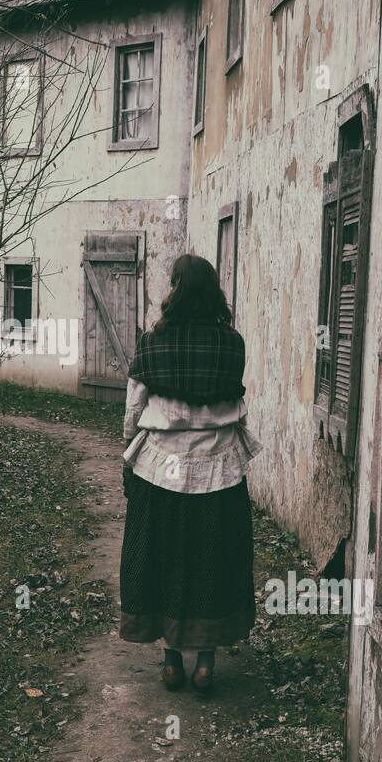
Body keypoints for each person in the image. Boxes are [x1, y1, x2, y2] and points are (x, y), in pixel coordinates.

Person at [119, 253, 261, 694]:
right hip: (219, 470)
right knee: (213, 560)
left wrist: (128, 448)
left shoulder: (151, 343)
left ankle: (169, 660)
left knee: (164, 557)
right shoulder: (231, 344)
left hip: (161, 467)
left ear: (175, 290)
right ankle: (205, 664)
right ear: (213, 291)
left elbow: (134, 408)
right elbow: (231, 399)